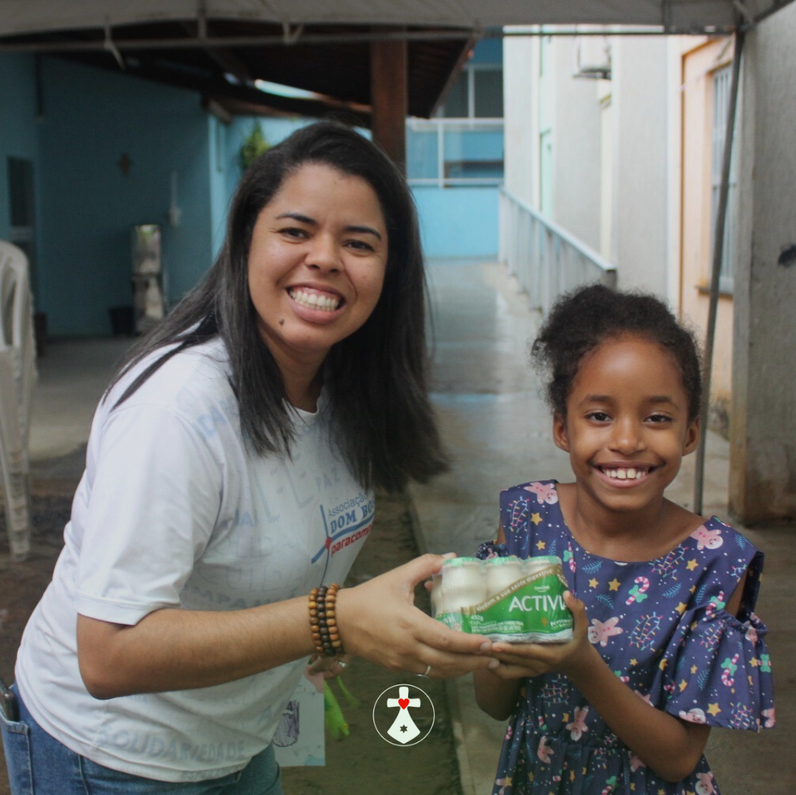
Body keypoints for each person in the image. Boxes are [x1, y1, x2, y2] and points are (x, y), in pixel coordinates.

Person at [1, 121, 500, 795]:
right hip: (114, 759)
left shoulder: (347, 389)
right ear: (244, 245)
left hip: (239, 743)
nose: (325, 258)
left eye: (358, 243)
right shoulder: (176, 411)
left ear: (390, 270)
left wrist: (320, 638)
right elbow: (109, 653)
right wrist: (332, 619)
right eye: (295, 232)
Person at [473, 285, 775, 795]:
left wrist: (580, 661)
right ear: (562, 428)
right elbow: (494, 702)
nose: (629, 440)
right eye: (599, 416)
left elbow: (679, 757)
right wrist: (498, 640)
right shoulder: (527, 523)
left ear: (690, 433)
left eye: (658, 417)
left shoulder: (716, 564)